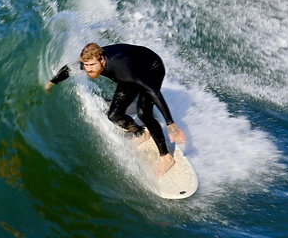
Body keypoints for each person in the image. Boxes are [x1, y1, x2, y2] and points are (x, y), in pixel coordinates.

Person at [45, 43, 187, 176]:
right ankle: (140, 133)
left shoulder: (122, 69)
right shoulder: (90, 62)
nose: (89, 69)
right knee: (114, 115)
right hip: (131, 70)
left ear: (102, 60)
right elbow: (68, 69)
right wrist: (52, 82)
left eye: (92, 65)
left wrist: (170, 123)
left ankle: (166, 157)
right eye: (86, 65)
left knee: (143, 113)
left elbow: (153, 91)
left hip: (151, 69)